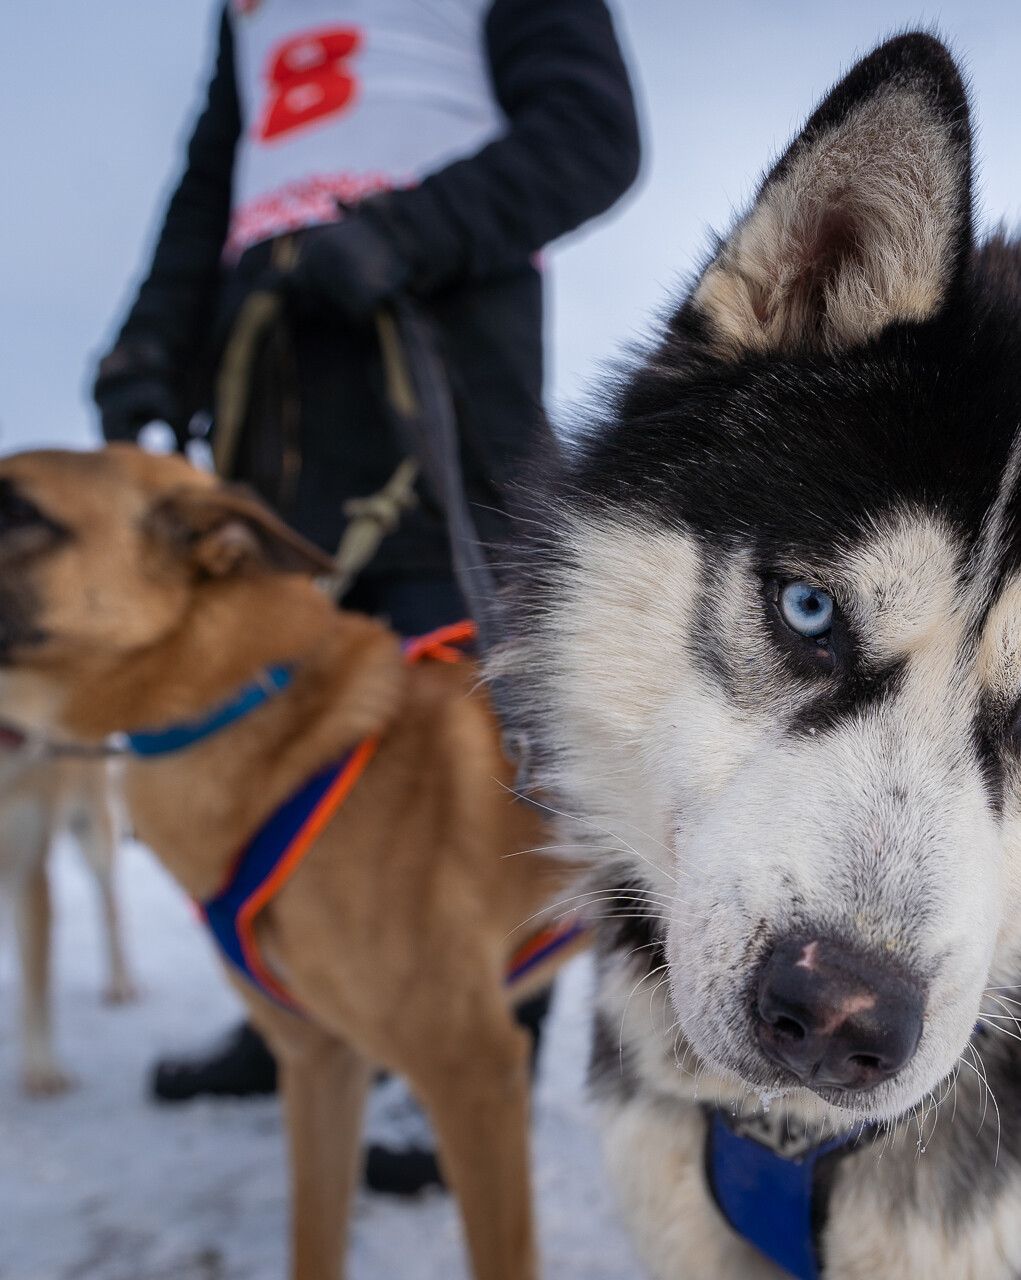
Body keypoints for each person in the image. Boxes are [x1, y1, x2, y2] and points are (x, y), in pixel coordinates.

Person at [94, 0, 640, 1194]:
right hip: (270, 393)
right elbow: (211, 181)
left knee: (461, 732)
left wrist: (402, 230)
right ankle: (290, 1007)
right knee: (261, 722)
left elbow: (594, 137)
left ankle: (466, 1045)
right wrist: (148, 346)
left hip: (437, 364)